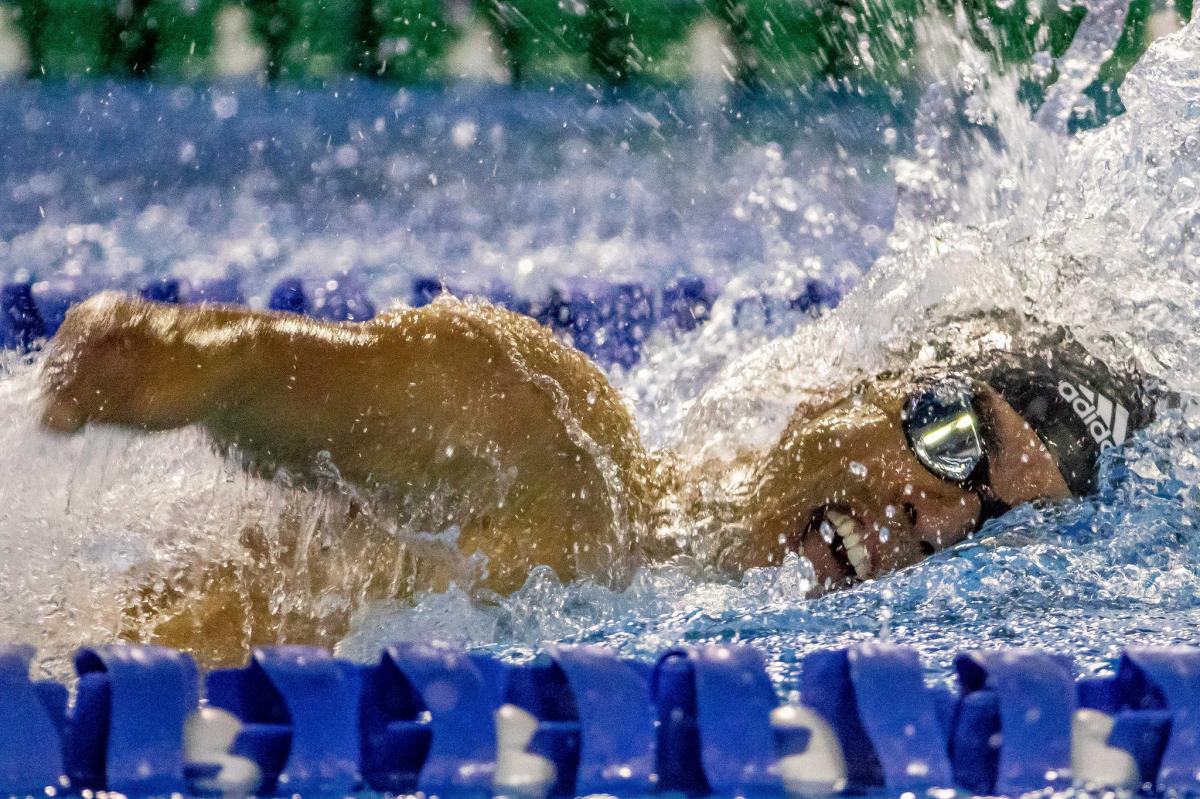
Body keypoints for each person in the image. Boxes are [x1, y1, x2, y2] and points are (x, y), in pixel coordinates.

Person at [38, 291, 1153, 663]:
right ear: (862, 386)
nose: (936, 512)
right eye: (953, 438)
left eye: (992, 523)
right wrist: (197, 367)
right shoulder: (561, 455)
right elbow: (291, 374)